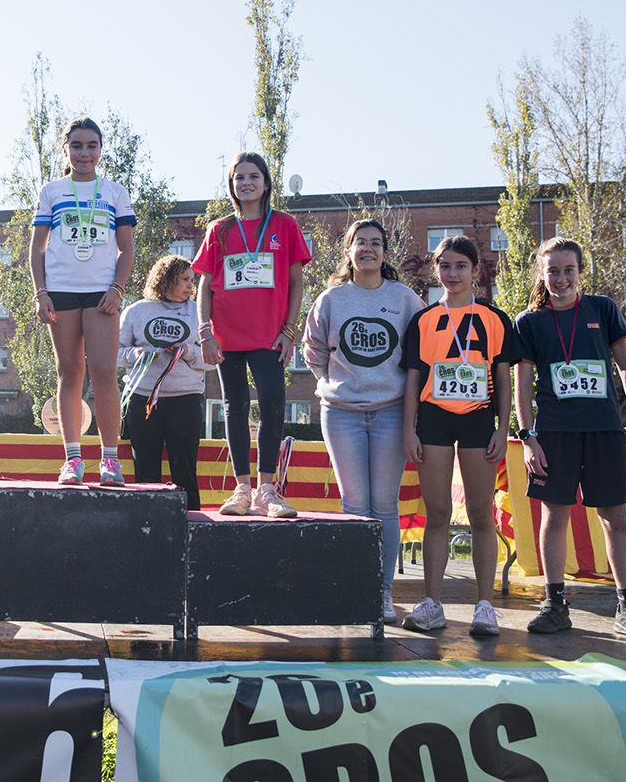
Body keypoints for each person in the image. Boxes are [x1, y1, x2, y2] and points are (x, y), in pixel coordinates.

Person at [512, 237, 626, 641]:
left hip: (604, 430)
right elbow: (522, 384)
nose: (561, 278)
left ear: (580, 271)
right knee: (554, 516)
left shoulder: (602, 309)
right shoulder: (530, 321)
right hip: (555, 433)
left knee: (614, 517)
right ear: (542, 274)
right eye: (553, 271)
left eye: (569, 270)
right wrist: (528, 437)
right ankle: (554, 602)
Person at [400, 234, 520, 636]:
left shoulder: (494, 318)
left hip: (478, 418)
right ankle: (432, 602)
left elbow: (503, 378)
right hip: (434, 418)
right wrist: (409, 430)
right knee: (437, 514)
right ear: (437, 270)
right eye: (445, 266)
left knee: (482, 515)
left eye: (461, 266)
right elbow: (414, 379)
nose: (452, 274)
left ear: (476, 270)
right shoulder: (423, 319)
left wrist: (504, 429)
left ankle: (484, 606)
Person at [304, 219, 423, 623]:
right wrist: (335, 384)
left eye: (376, 243)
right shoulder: (331, 300)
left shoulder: (405, 299)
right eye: (360, 243)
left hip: (391, 411)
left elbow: (418, 358)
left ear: (385, 254)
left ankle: (384, 591)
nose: (368, 249)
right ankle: (357, 588)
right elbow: (314, 350)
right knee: (355, 504)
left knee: (384, 504)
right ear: (349, 252)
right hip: (341, 415)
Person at [192, 152, 309, 518]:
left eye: (253, 176)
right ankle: (242, 489)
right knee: (234, 406)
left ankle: (267, 490)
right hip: (226, 335)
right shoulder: (220, 229)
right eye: (239, 177)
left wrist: (290, 330)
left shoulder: (285, 225)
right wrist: (205, 332)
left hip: (269, 335)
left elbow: (296, 281)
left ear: (266, 182)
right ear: (231, 185)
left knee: (274, 398)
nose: (246, 183)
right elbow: (204, 286)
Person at [30, 118, 135, 485]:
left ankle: (109, 459)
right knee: (70, 372)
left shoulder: (114, 192)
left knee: (104, 372)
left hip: (101, 291)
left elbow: (127, 248)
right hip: (60, 290)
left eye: (92, 145)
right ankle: (72, 459)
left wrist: (118, 288)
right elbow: (37, 247)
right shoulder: (53, 191)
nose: (84, 152)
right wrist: (40, 292)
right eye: (77, 145)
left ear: (101, 149)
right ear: (66, 149)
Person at [117, 254, 214, 510]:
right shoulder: (136, 311)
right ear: (165, 278)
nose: (190, 285)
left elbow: (214, 360)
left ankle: (192, 521)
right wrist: (135, 355)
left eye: (192, 280)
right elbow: (114, 353)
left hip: (186, 399)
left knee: (184, 468)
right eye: (184, 279)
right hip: (142, 400)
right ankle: (147, 521)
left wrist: (189, 352)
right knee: (145, 469)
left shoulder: (200, 313)